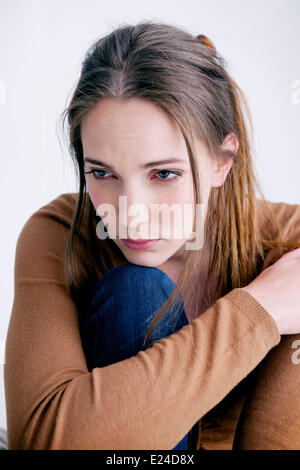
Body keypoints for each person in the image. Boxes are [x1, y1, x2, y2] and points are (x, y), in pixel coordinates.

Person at [4, 20, 300, 450]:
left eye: (165, 173)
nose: (132, 216)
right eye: (102, 173)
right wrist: (257, 313)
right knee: (137, 293)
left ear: (223, 160)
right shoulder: (61, 232)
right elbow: (42, 441)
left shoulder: (289, 251)